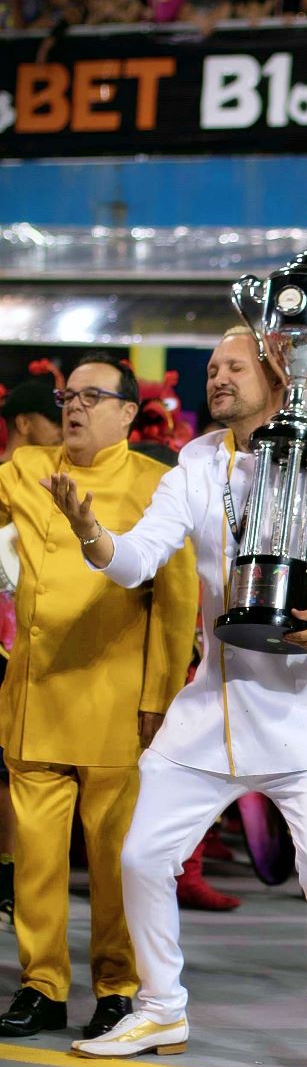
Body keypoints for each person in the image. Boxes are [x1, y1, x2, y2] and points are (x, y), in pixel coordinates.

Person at [45, 327, 307, 1067]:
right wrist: (91, 534)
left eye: (233, 367)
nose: (216, 379)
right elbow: (140, 556)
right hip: (211, 705)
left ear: (280, 376)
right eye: (210, 369)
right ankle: (161, 1006)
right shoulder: (198, 461)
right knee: (140, 856)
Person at [0, 354, 197, 1041]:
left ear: (127, 413)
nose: (73, 406)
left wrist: (160, 695)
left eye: (90, 395)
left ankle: (116, 985)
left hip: (118, 704)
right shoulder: (25, 467)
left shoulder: (156, 484)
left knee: (115, 858)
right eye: (66, 394)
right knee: (36, 857)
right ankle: (41, 984)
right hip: (34, 693)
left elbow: (177, 603)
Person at [0, 378, 64, 928]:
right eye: (53, 417)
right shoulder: (10, 486)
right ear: (24, 425)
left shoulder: (59, 486)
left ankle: (9, 878)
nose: (64, 426)